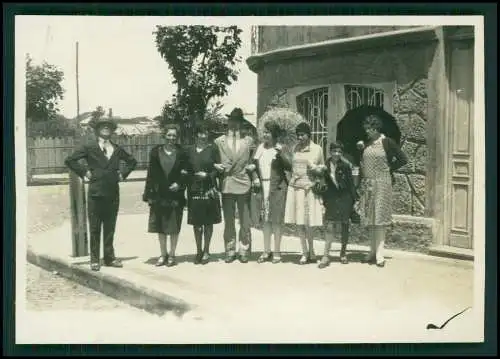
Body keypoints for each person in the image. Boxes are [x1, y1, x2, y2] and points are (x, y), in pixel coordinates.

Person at [64, 117, 137, 271]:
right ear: (97, 130)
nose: (106, 129)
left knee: (110, 227)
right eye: (102, 126)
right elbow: (70, 160)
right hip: (96, 193)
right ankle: (95, 259)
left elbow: (132, 161)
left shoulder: (116, 149)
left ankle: (109, 258)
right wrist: (84, 172)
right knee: (95, 228)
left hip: (112, 193)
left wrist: (123, 174)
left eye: (108, 127)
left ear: (112, 130)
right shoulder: (89, 147)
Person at [357, 114, 408, 268]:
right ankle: (371, 251)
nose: (367, 132)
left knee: (379, 219)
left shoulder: (387, 142)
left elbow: (403, 159)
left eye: (369, 129)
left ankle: (380, 253)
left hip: (382, 183)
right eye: (366, 129)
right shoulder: (366, 143)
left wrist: (389, 168)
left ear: (376, 128)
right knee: (370, 219)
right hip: (368, 184)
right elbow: (363, 162)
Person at [213, 108, 258, 264]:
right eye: (231, 121)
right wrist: (215, 166)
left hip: (244, 182)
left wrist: (253, 172)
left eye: (237, 122)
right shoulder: (219, 141)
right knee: (229, 220)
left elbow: (254, 160)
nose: (234, 125)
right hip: (227, 184)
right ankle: (230, 250)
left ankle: (244, 249)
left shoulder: (249, 141)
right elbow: (212, 160)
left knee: (245, 219)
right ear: (228, 122)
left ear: (241, 124)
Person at [142, 123, 188, 267]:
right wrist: (148, 193)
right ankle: (163, 254)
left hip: (175, 195)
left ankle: (172, 255)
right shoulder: (156, 152)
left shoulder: (182, 152)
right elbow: (150, 174)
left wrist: (180, 184)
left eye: (174, 135)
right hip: (159, 194)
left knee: (174, 226)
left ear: (177, 137)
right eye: (169, 135)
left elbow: (187, 172)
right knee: (161, 226)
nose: (171, 138)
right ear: (164, 136)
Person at [283, 122, 325, 265]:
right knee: (299, 222)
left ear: (309, 134)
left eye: (302, 134)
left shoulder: (317, 149)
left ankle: (312, 251)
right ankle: (304, 252)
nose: (300, 137)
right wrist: (291, 180)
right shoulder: (295, 148)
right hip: (296, 189)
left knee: (309, 223)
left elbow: (322, 169)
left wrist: (315, 172)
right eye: (298, 135)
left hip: (309, 189)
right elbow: (291, 168)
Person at [249, 120, 291, 264]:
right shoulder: (259, 148)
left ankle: (277, 251)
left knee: (276, 221)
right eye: (264, 132)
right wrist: (254, 177)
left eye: (268, 132)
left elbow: (289, 166)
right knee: (265, 221)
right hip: (262, 187)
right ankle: (266, 251)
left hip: (277, 188)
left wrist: (281, 155)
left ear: (274, 134)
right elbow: (252, 166)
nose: (265, 135)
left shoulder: (281, 148)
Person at [184, 122, 222, 265]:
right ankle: (198, 250)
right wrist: (190, 177)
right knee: (197, 223)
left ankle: (206, 250)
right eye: (200, 133)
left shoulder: (213, 149)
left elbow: (218, 169)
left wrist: (207, 175)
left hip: (209, 189)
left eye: (205, 133)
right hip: (194, 189)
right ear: (196, 135)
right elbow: (185, 169)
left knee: (208, 222)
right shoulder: (189, 151)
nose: (203, 136)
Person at [317, 142, 358, 269]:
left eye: (339, 152)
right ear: (330, 152)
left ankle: (343, 253)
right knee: (329, 225)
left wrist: (355, 200)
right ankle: (325, 255)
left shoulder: (345, 166)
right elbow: (321, 184)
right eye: (334, 151)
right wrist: (322, 200)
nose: (337, 154)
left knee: (345, 225)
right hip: (331, 199)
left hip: (345, 198)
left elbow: (351, 184)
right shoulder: (324, 166)